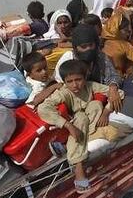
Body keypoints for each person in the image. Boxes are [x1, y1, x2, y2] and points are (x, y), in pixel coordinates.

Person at [38, 60, 124, 194]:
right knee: (81, 117)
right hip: (73, 123)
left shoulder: (90, 86)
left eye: (78, 80)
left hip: (87, 123)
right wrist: (67, 125)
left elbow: (119, 94)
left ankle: (78, 143)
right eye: (70, 81)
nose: (74, 85)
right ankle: (78, 168)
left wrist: (106, 113)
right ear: (65, 82)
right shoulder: (64, 92)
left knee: (96, 105)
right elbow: (43, 108)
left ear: (85, 77)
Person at [54, 24, 123, 112]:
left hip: (99, 96)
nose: (88, 49)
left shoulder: (100, 55)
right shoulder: (68, 58)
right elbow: (62, 85)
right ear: (76, 47)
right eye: (83, 47)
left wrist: (113, 88)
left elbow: (113, 75)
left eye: (91, 45)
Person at [101, 11, 133, 78]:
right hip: (117, 80)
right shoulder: (124, 45)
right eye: (126, 30)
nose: (128, 34)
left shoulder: (101, 42)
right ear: (117, 30)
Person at [41, 10, 74, 76]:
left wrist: (63, 36)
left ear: (70, 23)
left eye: (65, 22)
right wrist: (60, 34)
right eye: (60, 23)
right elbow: (60, 44)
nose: (63, 25)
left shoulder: (74, 34)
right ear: (55, 25)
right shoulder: (49, 37)